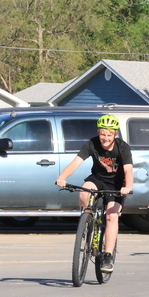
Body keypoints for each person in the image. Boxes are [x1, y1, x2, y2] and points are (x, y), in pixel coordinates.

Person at [56, 114, 133, 273]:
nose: (105, 138)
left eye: (109, 134)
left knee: (112, 216)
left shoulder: (122, 147)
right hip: (98, 179)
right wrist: (62, 177)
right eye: (102, 134)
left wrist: (128, 186)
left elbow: (128, 169)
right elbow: (76, 162)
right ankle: (87, 221)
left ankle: (107, 255)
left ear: (115, 135)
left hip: (117, 185)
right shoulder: (91, 144)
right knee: (84, 192)